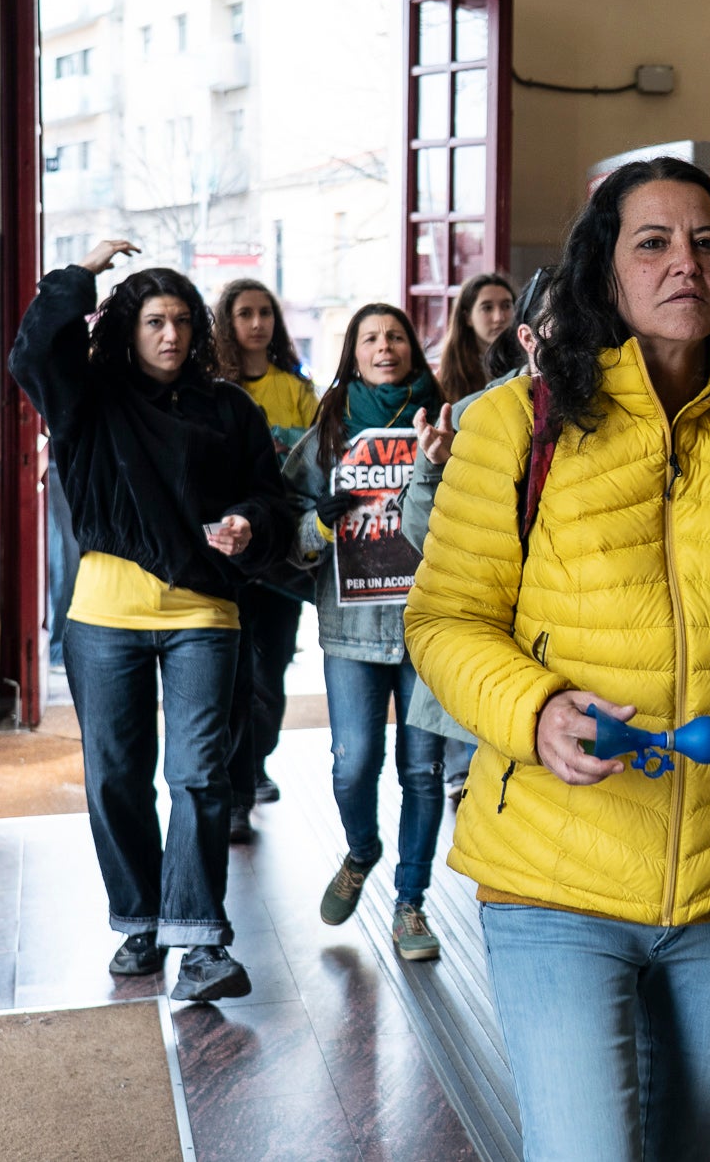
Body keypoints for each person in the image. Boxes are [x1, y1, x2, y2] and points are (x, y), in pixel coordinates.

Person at [403, 156, 710, 1162]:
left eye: (707, 242)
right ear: (605, 271)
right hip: (555, 866)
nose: (687, 263)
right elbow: (444, 619)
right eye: (654, 242)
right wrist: (533, 710)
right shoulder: (516, 422)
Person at [8, 239, 291, 1003]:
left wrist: (244, 521)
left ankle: (199, 942)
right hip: (104, 615)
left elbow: (271, 497)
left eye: (182, 322)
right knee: (115, 780)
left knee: (200, 774)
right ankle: (139, 917)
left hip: (204, 610)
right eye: (154, 321)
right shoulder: (87, 399)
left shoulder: (230, 408)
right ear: (128, 327)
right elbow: (31, 349)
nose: (171, 335)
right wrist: (82, 274)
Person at [284, 304, 450, 962]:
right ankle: (361, 850)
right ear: (352, 354)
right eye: (371, 338)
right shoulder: (326, 433)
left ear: (413, 348)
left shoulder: (447, 424)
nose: (385, 347)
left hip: (429, 626)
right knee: (354, 762)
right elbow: (288, 537)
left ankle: (411, 901)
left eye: (397, 336)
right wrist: (321, 524)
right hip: (352, 625)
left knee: (424, 770)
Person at [401, 271, 551, 804]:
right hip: (496, 631)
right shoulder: (477, 413)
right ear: (530, 337)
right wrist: (431, 468)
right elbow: (421, 534)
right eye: (561, 321)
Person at [213, 277, 319, 838]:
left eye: (264, 313)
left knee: (271, 669)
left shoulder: (297, 389)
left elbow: (321, 459)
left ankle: (256, 763)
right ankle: (236, 781)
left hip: (281, 556)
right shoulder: (215, 389)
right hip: (228, 556)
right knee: (233, 673)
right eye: (243, 314)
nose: (256, 324)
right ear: (225, 323)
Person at [436, 272, 517, 403]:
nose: (499, 317)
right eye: (487, 308)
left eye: (506, 306)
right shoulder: (447, 375)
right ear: (467, 317)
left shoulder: (526, 362)